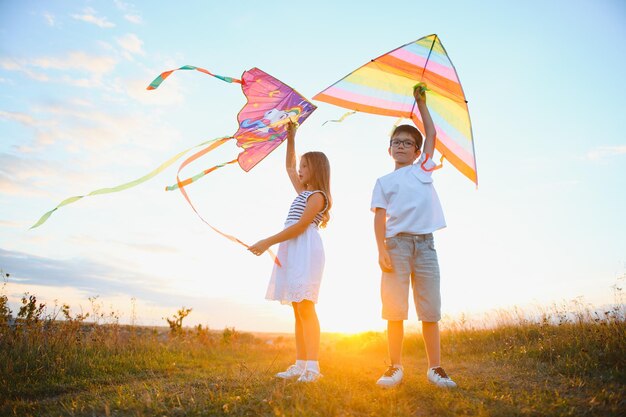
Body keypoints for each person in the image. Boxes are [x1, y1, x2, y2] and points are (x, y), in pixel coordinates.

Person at [370, 84, 457, 389]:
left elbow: (431, 134)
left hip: (426, 245)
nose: (402, 146)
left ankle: (435, 368)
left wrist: (421, 104)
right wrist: (381, 249)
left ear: (418, 152)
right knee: (394, 309)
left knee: (430, 308)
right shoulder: (383, 181)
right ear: (389, 148)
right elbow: (380, 217)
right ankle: (394, 367)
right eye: (396, 142)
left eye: (408, 143)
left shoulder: (422, 169)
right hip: (396, 245)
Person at [249, 121, 331, 383]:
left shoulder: (317, 195)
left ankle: (314, 367)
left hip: (305, 249)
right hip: (294, 249)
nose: (299, 169)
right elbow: (287, 166)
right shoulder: (303, 191)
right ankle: (300, 363)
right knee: (298, 309)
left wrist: (267, 242)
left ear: (315, 170)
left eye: (305, 166)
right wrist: (291, 136)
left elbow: (299, 227)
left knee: (306, 307)